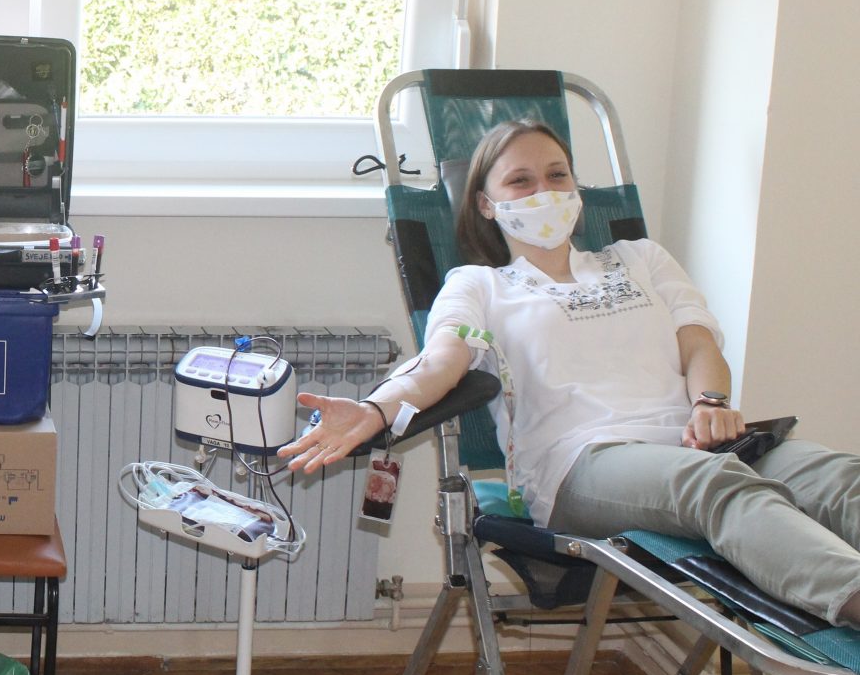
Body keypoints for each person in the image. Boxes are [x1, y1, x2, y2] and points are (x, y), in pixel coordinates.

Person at [281, 118, 860, 631]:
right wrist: (376, 409)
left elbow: (699, 343)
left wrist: (711, 402)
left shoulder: (642, 258)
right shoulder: (479, 284)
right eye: (521, 180)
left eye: (558, 175)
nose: (545, 191)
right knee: (716, 486)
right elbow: (439, 362)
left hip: (693, 441)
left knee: (838, 477)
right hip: (582, 465)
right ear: (486, 203)